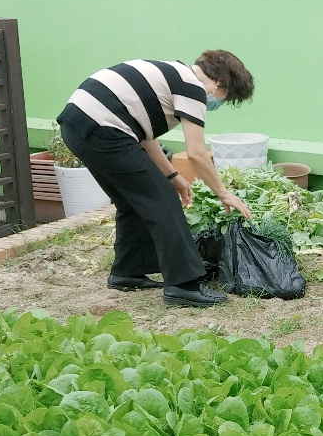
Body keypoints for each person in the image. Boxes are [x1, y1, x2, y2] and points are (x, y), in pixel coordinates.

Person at [57, 51, 254, 308]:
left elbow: (145, 136)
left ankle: (128, 272)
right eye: (226, 97)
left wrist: (173, 175)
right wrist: (223, 193)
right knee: (162, 199)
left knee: (133, 199)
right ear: (219, 84)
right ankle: (184, 285)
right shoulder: (192, 88)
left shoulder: (173, 76)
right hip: (102, 128)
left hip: (78, 125)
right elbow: (197, 154)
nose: (220, 102)